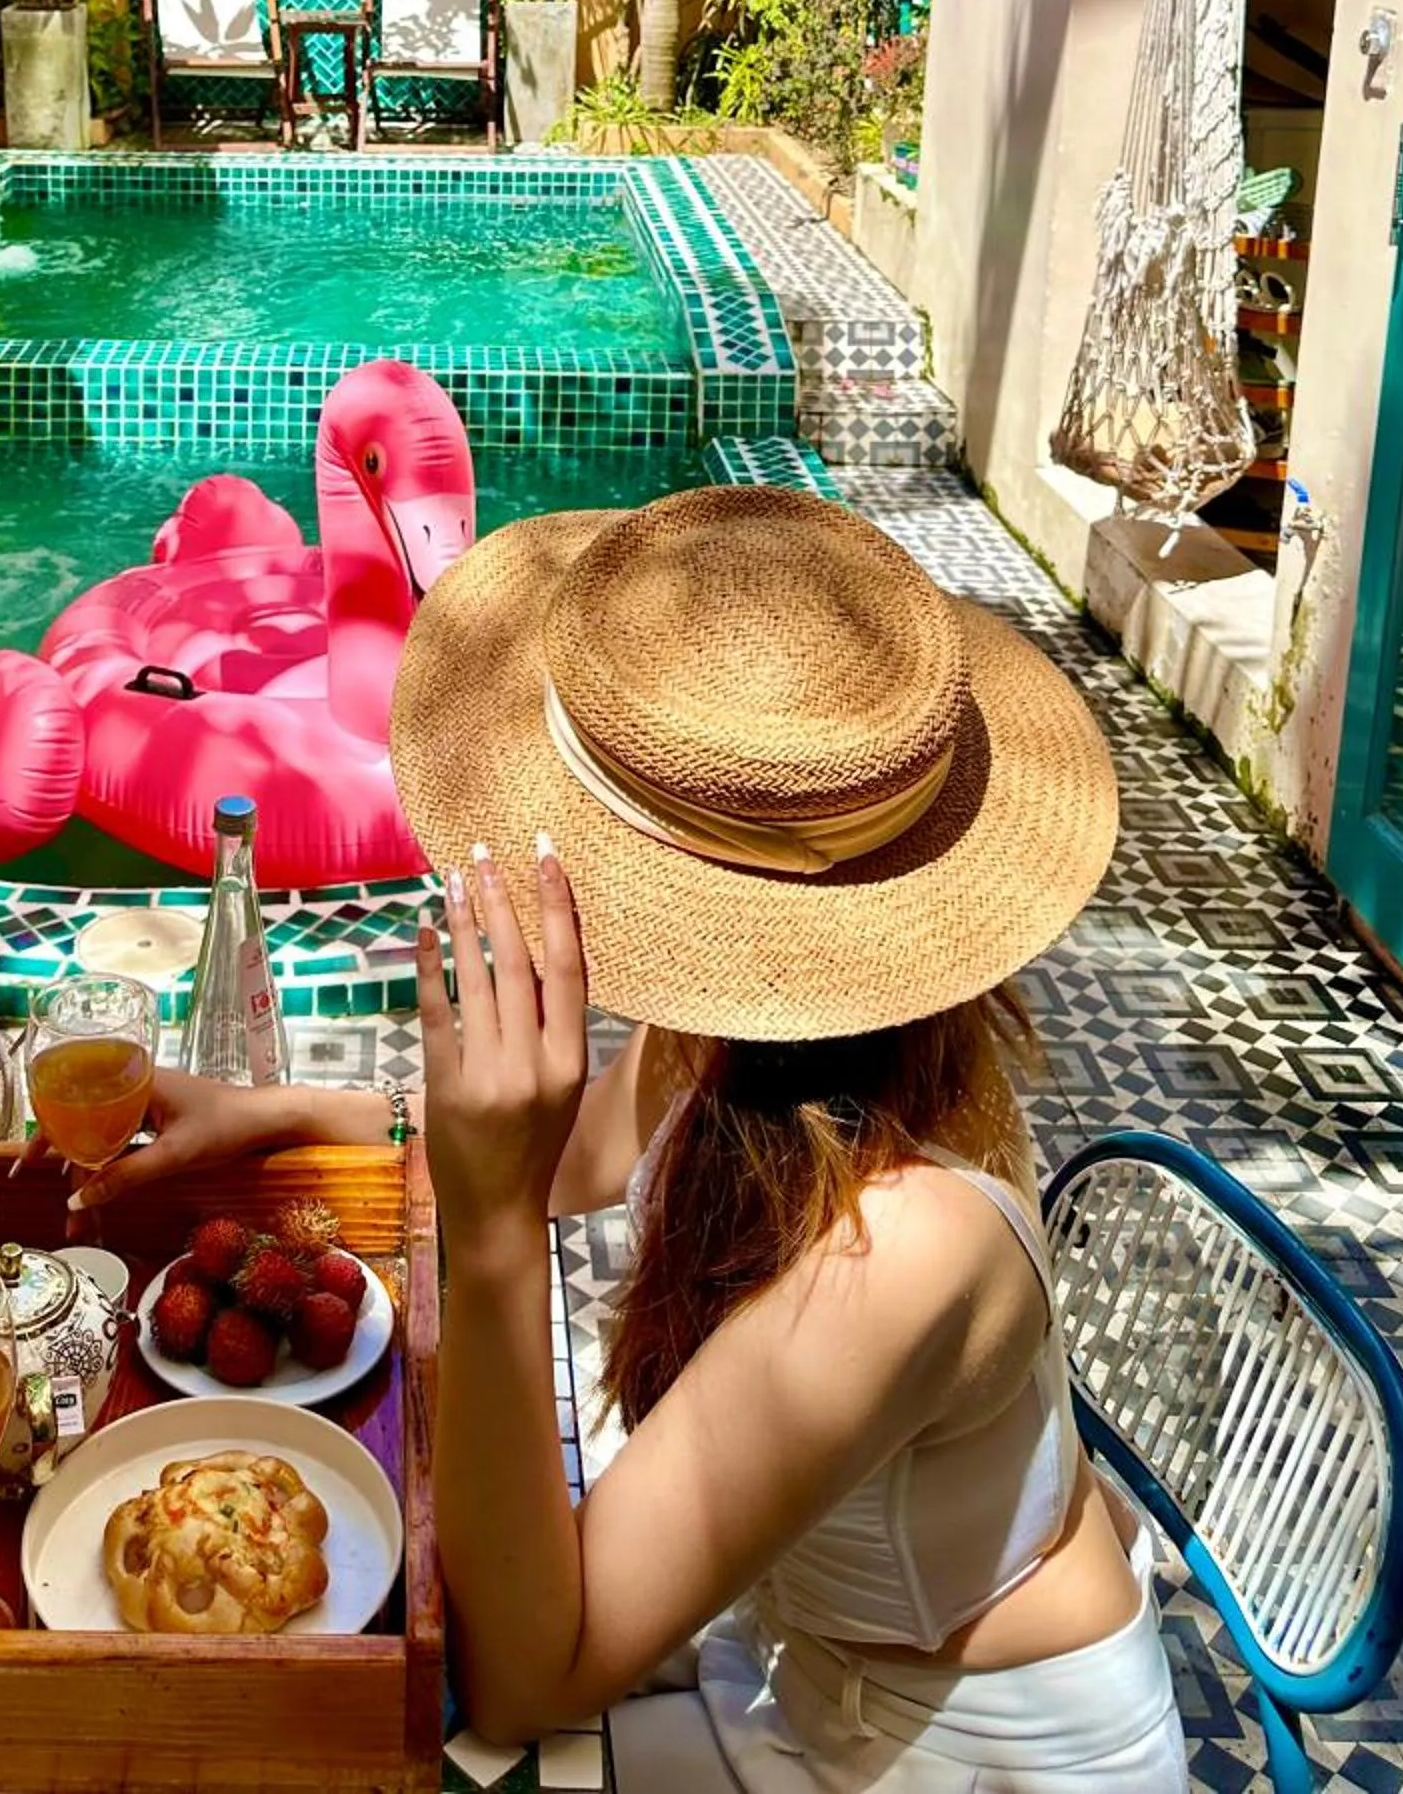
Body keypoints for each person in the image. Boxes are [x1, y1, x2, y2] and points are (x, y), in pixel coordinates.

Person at [66, 488, 1188, 1790]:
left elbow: (530, 1675)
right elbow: (572, 1152)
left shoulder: (898, 1247)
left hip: (949, 1753)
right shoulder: (749, 1031)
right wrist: (279, 1114)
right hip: (779, 1652)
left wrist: (490, 1240)